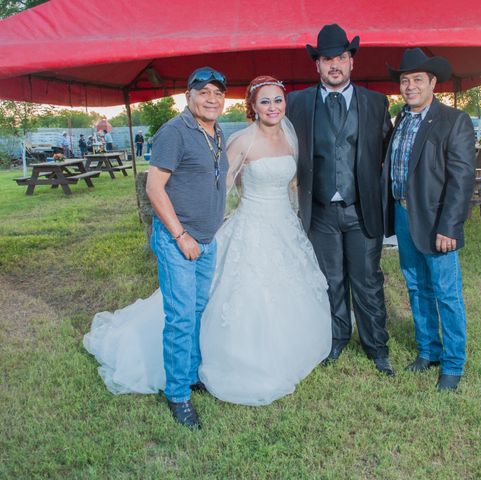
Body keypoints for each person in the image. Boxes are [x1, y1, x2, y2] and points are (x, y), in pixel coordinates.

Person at [83, 75, 331, 422]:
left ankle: (216, 367)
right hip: (243, 224)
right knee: (191, 311)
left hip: (282, 226)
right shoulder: (239, 141)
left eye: (278, 100)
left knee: (211, 304)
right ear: (252, 107)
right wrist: (198, 230)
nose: (272, 107)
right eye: (264, 102)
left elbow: (290, 184)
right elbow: (219, 185)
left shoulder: (287, 137)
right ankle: (180, 390)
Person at [286, 24, 395, 376]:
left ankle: (376, 346)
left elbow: (388, 155)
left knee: (367, 280)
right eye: (327, 58)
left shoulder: (376, 103)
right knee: (329, 280)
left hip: (360, 209)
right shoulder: (297, 102)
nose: (335, 64)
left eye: (342, 57)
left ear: (352, 62)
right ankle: (336, 340)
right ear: (317, 64)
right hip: (318, 211)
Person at [382, 48, 476, 391]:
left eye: (417, 80)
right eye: (405, 80)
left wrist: (450, 226)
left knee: (446, 292)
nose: (410, 87)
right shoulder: (401, 119)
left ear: (432, 82)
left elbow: (462, 179)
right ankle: (428, 350)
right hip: (403, 213)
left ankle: (453, 363)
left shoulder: (454, 120)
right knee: (416, 286)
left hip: (437, 220)